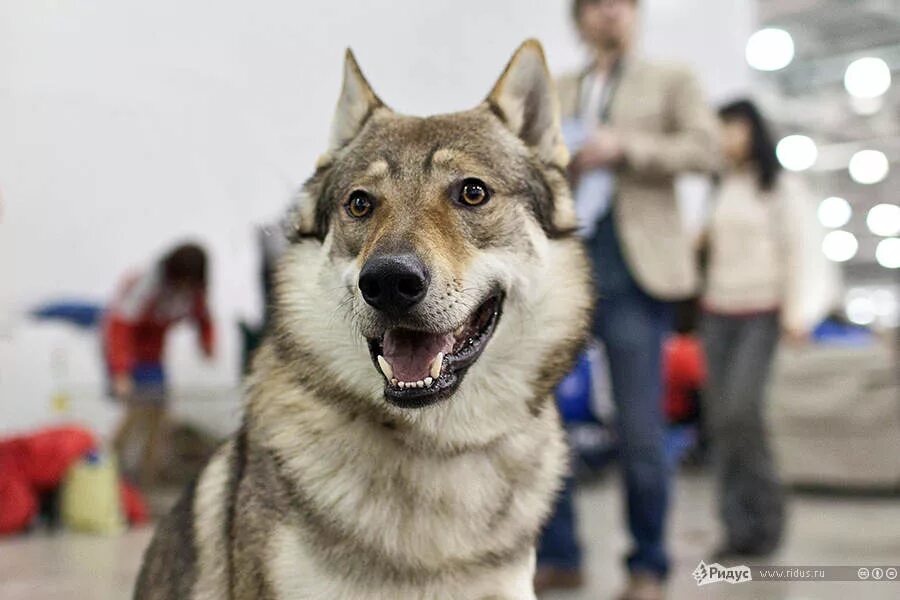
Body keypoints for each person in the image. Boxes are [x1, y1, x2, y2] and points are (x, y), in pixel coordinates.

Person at [537, 0, 720, 597]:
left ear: (634, 14)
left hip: (637, 276)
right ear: (580, 18)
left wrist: (626, 147)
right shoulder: (559, 89)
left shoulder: (672, 80)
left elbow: (706, 151)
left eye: (619, 4)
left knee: (641, 431)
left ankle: (648, 564)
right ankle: (559, 554)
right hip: (565, 272)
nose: (608, 14)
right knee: (544, 424)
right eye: (595, 5)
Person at [701, 99, 833, 559]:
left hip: (761, 312)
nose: (727, 137)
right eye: (722, 128)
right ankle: (736, 527)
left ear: (754, 131)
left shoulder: (780, 188)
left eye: (735, 127)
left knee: (743, 413)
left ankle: (769, 519)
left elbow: (803, 251)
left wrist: (800, 312)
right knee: (719, 421)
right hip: (716, 313)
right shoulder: (717, 187)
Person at [104, 243, 215, 485]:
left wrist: (206, 344)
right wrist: (121, 372)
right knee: (136, 414)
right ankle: (106, 474)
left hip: (153, 356)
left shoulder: (194, 290)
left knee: (160, 417)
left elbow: (203, 318)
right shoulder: (146, 284)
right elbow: (119, 326)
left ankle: (146, 482)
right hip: (127, 351)